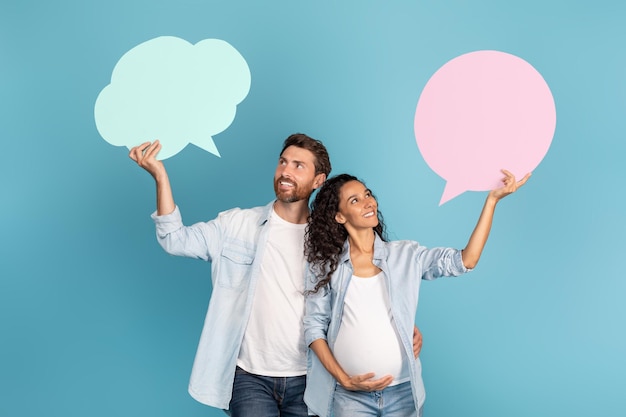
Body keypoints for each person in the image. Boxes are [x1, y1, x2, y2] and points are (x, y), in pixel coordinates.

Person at [128, 133, 423, 417]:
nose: (286, 171)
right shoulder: (237, 225)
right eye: (283, 162)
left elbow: (368, 287)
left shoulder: (334, 241)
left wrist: (398, 323)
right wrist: (160, 176)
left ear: (318, 181)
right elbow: (175, 239)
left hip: (311, 376)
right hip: (249, 376)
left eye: (298, 166)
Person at [303, 171, 530, 417]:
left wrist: (492, 201)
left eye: (367, 194)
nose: (368, 202)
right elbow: (314, 327)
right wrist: (344, 380)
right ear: (339, 216)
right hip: (349, 397)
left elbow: (466, 260)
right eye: (354, 200)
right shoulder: (327, 266)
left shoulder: (406, 255)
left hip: (402, 393)